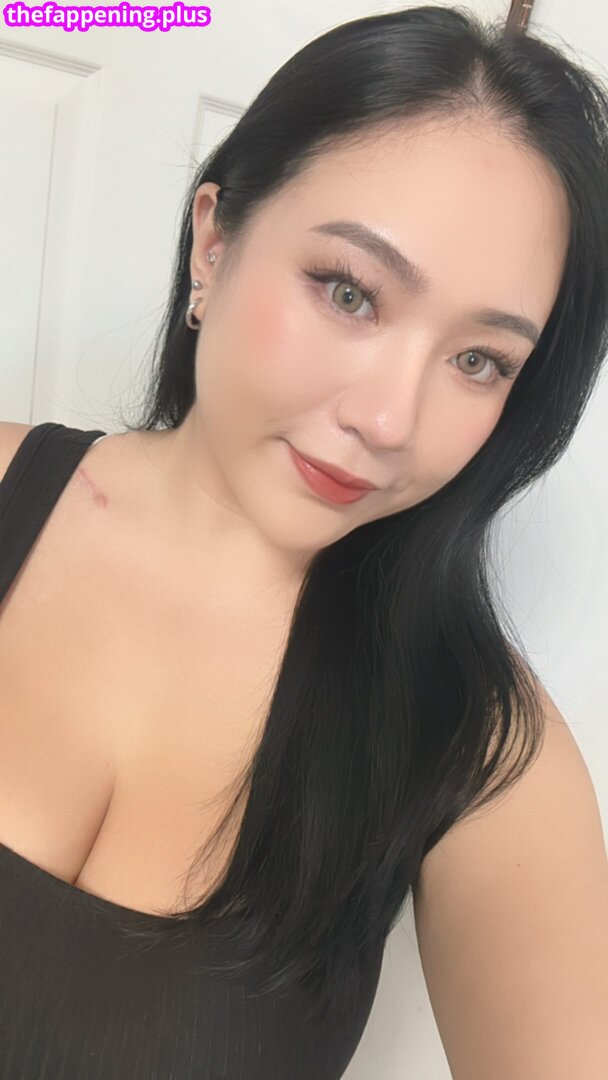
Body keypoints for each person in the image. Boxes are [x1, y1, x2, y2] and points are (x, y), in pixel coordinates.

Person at [1, 5, 608, 1078]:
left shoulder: (482, 750)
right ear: (214, 241)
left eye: (479, 361)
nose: (388, 420)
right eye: (349, 292)